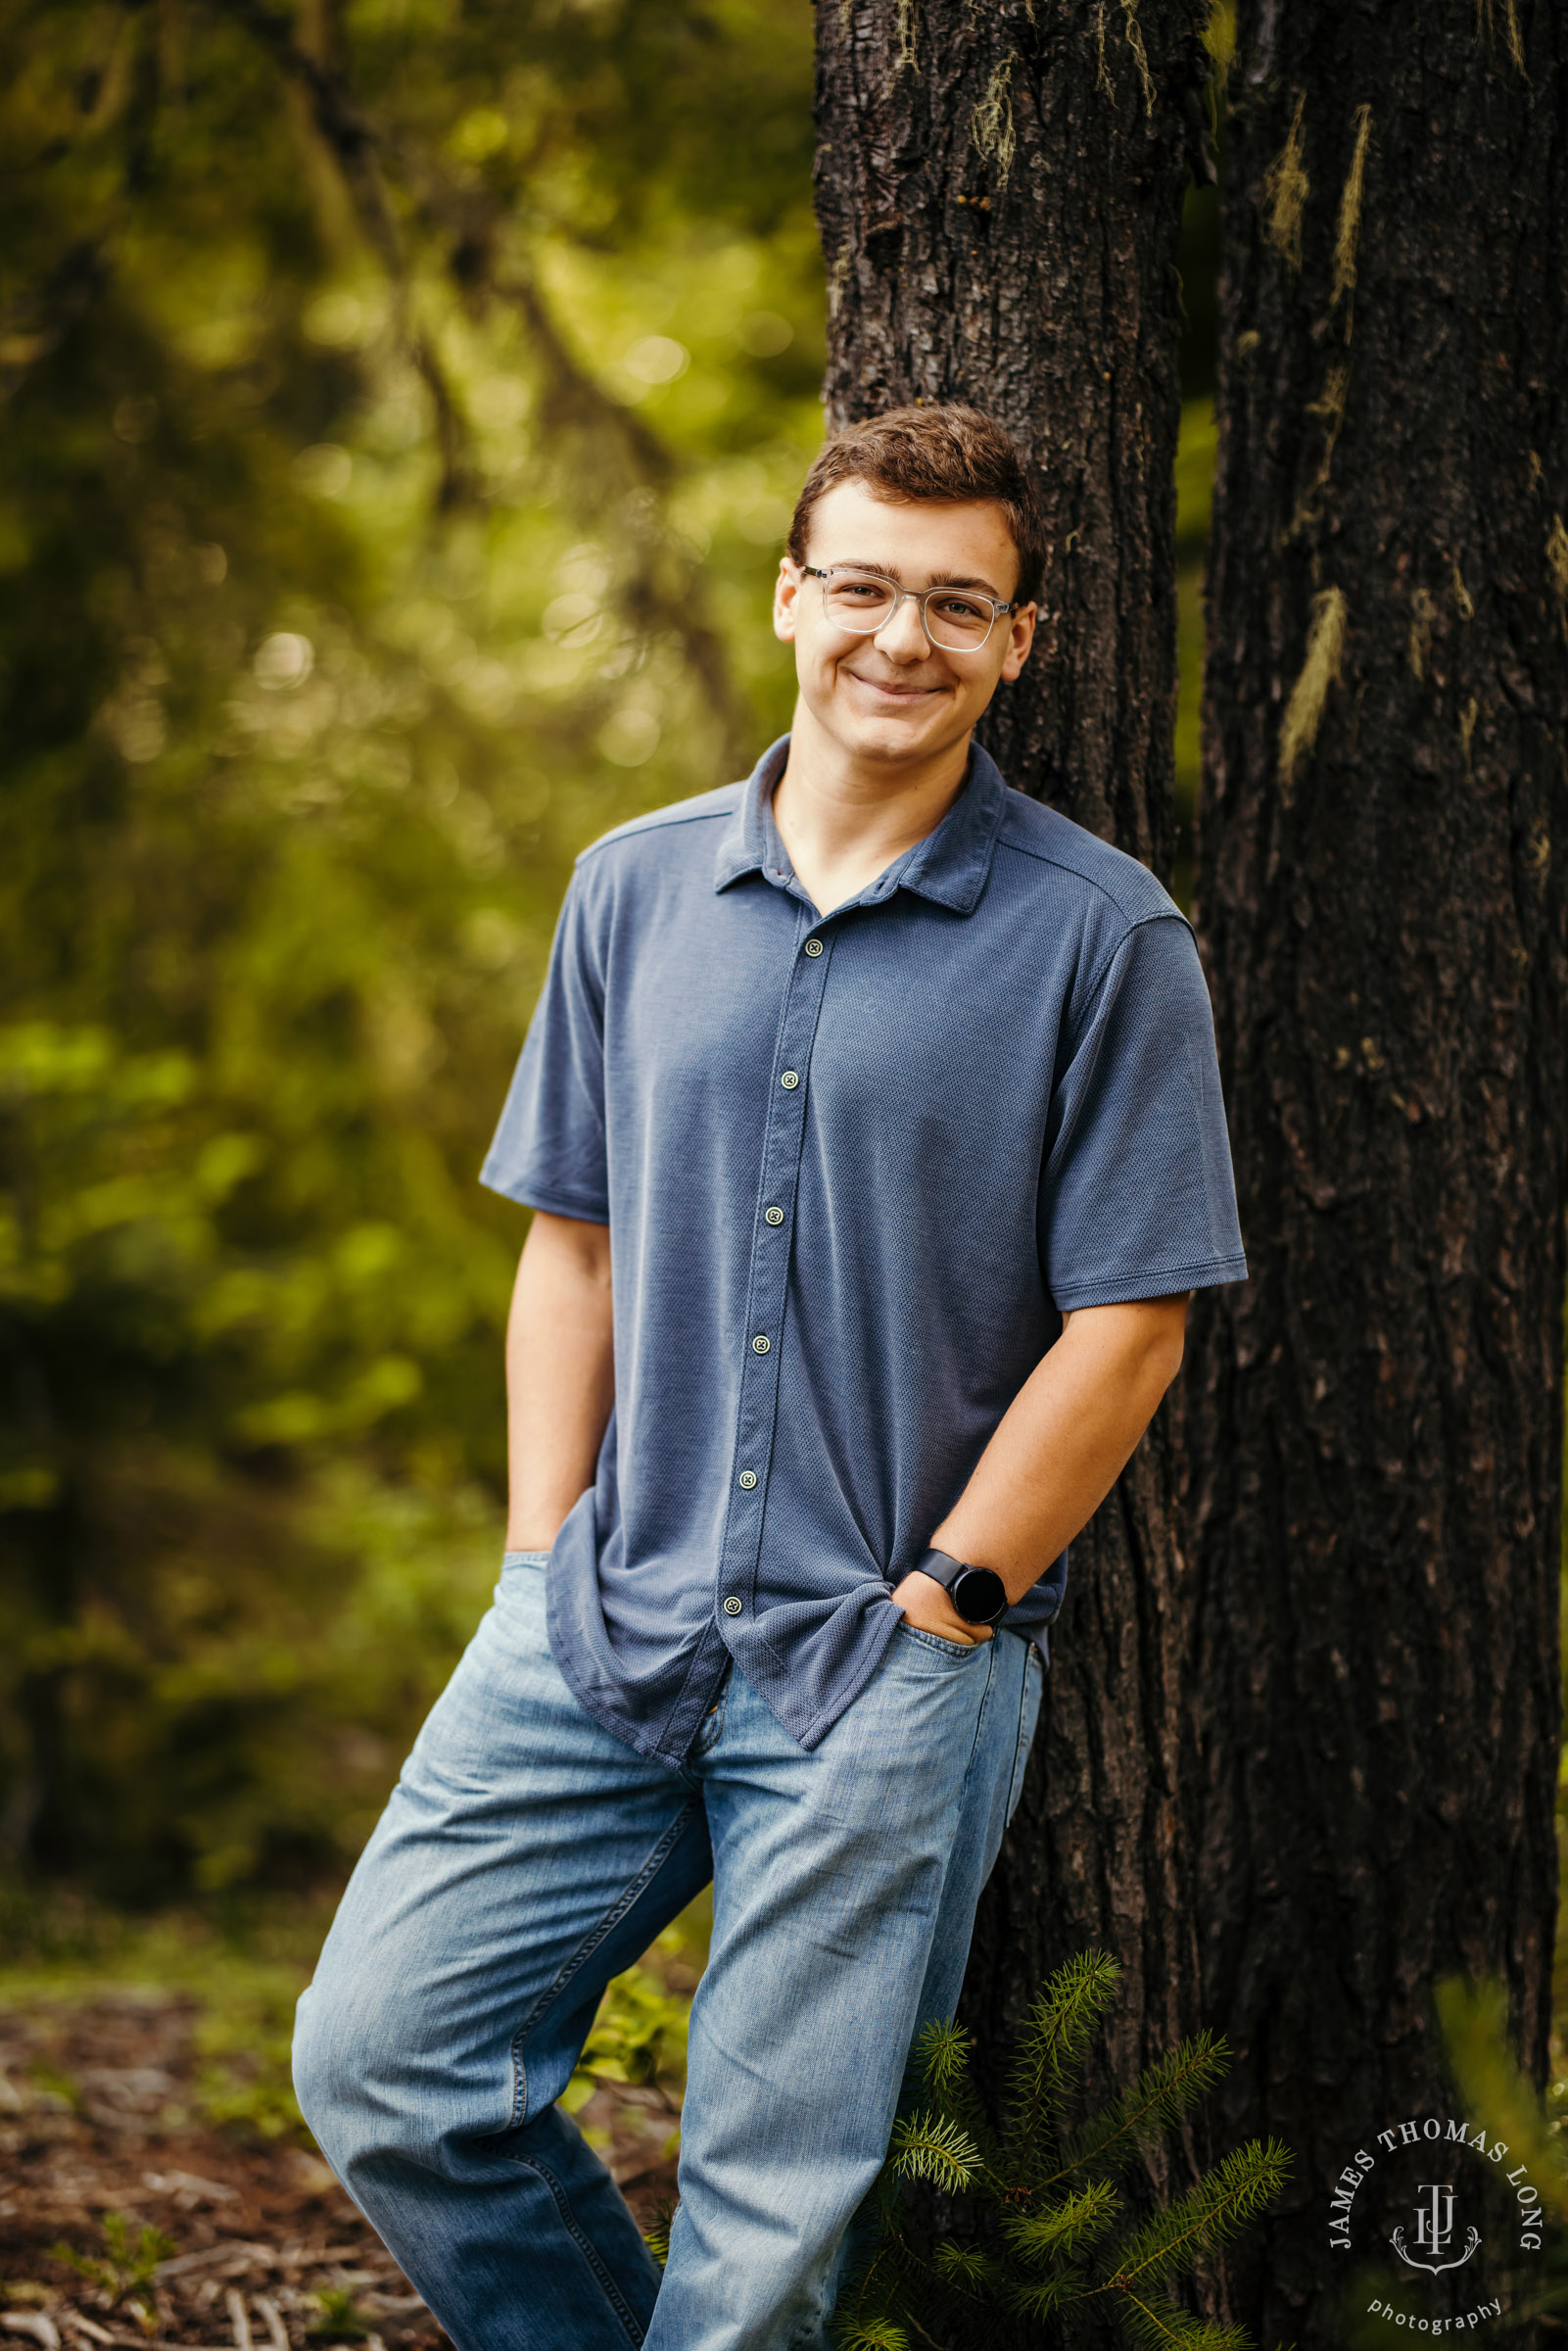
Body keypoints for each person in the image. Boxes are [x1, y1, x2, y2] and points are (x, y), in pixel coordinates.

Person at [292, 404, 1247, 2351]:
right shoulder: (630, 890)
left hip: (882, 1663)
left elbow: (1131, 1324)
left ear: (1019, 644)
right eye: (869, 587)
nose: (905, 636)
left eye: (958, 605)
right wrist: (536, 1549)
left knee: (767, 2223)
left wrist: (950, 1606)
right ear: (793, 596)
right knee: (387, 2061)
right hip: (596, 1622)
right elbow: (571, 1241)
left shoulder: (1101, 938)